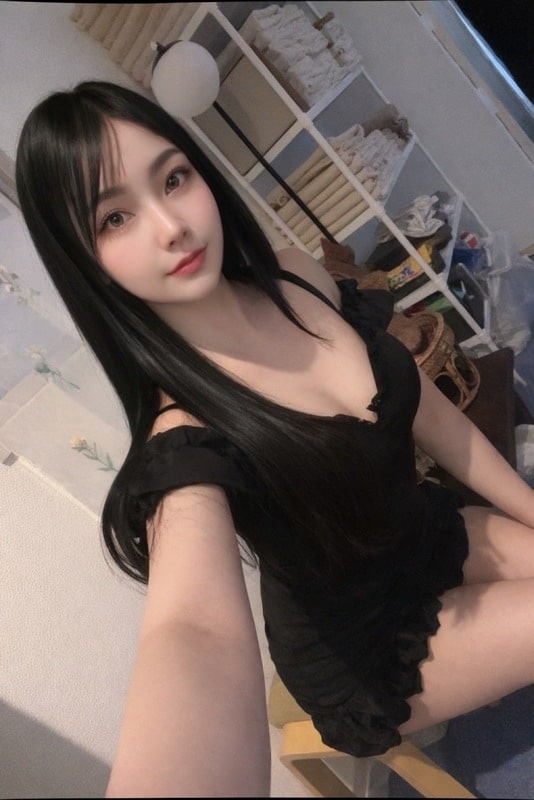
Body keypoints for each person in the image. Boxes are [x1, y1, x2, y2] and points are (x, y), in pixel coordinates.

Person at [15, 80, 534, 798]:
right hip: (365, 648)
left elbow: (431, 416)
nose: (170, 226)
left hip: (428, 533)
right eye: (115, 218)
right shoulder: (184, 436)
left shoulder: (297, 275)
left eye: (174, 178)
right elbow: (191, 632)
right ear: (84, 262)